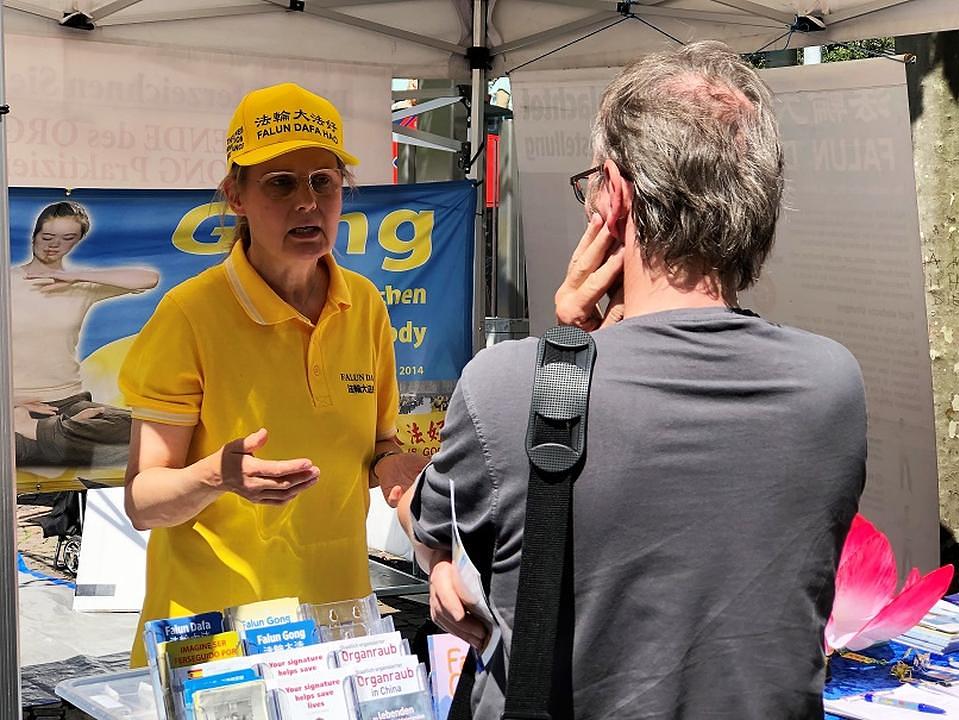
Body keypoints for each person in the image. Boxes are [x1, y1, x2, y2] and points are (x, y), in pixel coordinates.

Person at [399, 41, 867, 718]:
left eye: (593, 181)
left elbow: (426, 524)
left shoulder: (507, 385)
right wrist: (576, 350)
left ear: (614, 197)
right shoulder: (831, 386)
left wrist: (566, 351)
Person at [119, 82, 427, 667]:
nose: (307, 202)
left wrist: (394, 468)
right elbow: (142, 501)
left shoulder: (364, 305)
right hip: (216, 648)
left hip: (334, 635)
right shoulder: (189, 315)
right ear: (235, 195)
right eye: (281, 183)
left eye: (323, 182)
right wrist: (216, 476)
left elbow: (378, 444)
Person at [12, 200, 159, 469]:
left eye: (67, 238)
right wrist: (12, 402)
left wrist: (76, 276)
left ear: (78, 241)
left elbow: (149, 279)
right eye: (47, 237)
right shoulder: (7, 281)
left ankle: (39, 434)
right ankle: (49, 435)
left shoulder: (81, 285)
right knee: (8, 446)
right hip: (14, 405)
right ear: (34, 234)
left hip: (69, 405)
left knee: (149, 431)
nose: (54, 245)